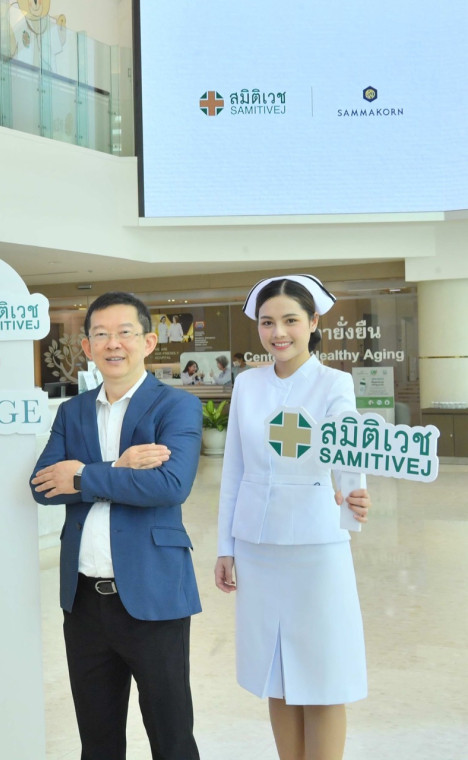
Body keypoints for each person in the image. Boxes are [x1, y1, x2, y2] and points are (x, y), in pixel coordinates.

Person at [31, 291, 202, 760]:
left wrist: (84, 475)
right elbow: (43, 486)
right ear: (87, 347)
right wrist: (119, 468)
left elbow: (169, 485)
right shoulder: (73, 412)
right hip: (84, 602)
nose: (113, 344)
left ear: (148, 342)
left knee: (171, 738)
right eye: (101, 335)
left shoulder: (176, 406)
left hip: (154, 594)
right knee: (98, 741)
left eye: (125, 333)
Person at [214, 275, 373, 760]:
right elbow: (234, 469)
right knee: (275, 672)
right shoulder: (247, 384)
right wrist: (226, 547)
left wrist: (354, 494)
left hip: (315, 548)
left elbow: (348, 447)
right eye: (267, 322)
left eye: (290, 320)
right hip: (258, 547)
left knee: (322, 675)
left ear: (313, 322)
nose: (278, 332)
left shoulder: (334, 383)